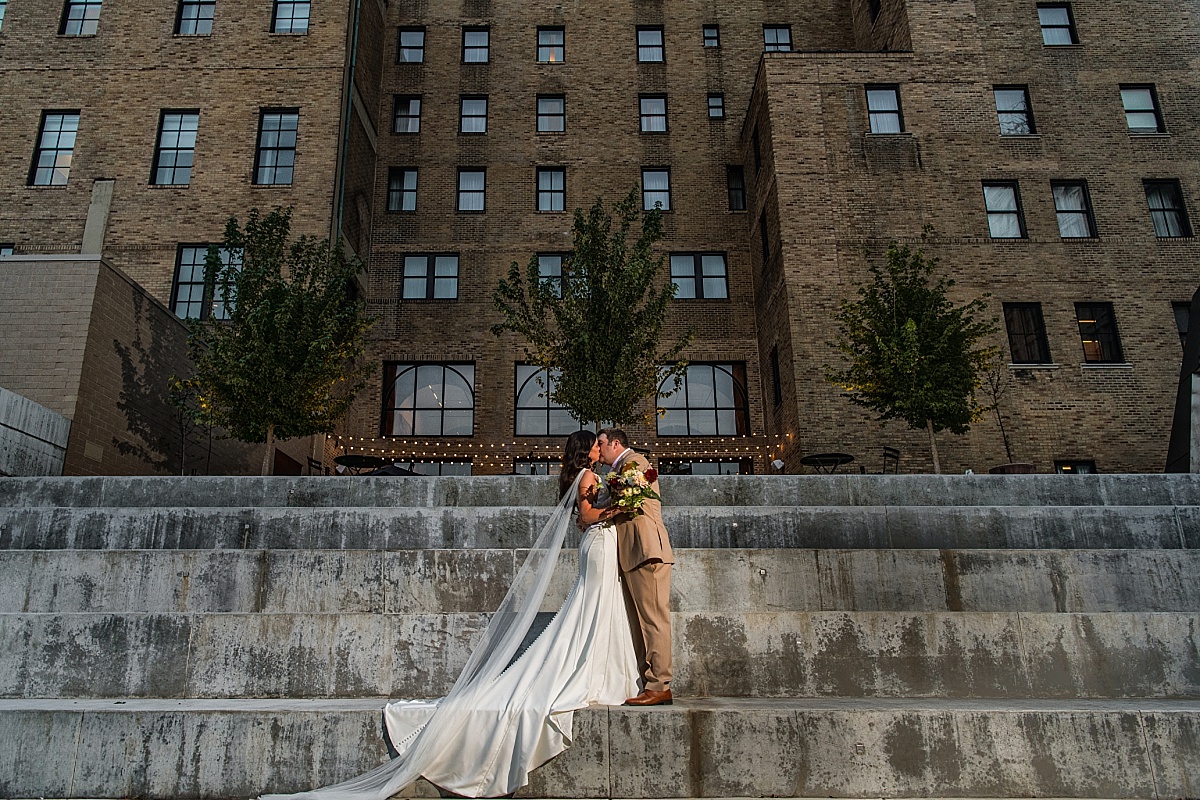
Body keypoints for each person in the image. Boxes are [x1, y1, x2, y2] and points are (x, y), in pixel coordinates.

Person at [263, 431, 639, 800]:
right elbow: (587, 515)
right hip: (599, 540)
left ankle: (594, 666)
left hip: (599, 543)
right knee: (592, 603)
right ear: (584, 449)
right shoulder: (589, 476)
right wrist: (622, 506)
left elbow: (581, 516)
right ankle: (592, 671)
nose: (599, 446)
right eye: (595, 442)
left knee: (594, 604)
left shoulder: (585, 475)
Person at [596, 428, 675, 706]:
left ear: (616, 444)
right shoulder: (620, 469)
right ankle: (648, 682)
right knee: (641, 623)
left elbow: (629, 501)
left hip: (647, 551)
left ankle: (660, 684)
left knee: (654, 621)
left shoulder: (636, 463)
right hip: (632, 555)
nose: (599, 447)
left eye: (602, 443)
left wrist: (599, 511)